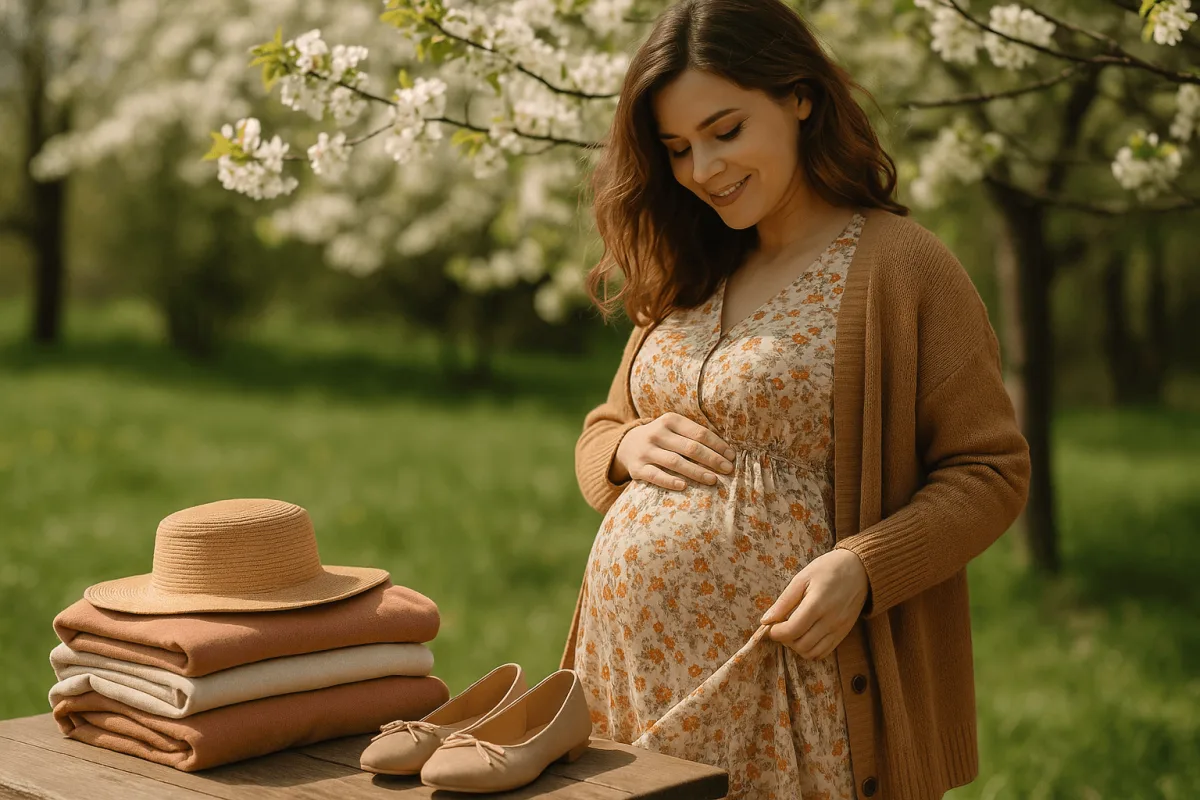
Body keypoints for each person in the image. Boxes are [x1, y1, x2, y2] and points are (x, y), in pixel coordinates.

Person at [556, 0, 1032, 798]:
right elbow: (604, 429)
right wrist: (621, 449)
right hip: (628, 679)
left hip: (791, 690)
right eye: (676, 148)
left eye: (726, 130)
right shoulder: (691, 263)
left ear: (800, 97)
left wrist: (863, 567)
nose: (702, 169)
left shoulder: (902, 267)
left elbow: (991, 470)